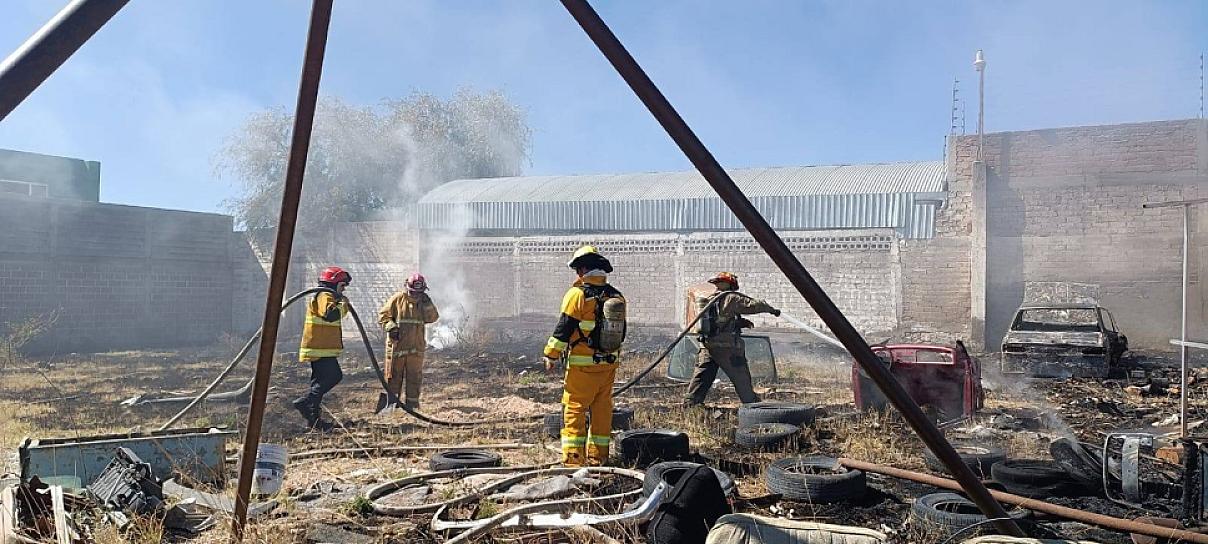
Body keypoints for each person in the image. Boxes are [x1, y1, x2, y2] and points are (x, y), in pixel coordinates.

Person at [542, 246, 626, 467]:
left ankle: (573, 459)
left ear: (583, 269)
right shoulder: (616, 296)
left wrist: (551, 354)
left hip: (582, 367)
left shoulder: (577, 295)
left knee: (575, 409)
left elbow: (564, 327)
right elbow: (622, 333)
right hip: (608, 365)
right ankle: (599, 458)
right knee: (602, 409)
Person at [684, 272, 780, 406]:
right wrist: (770, 309)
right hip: (727, 348)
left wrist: (739, 323)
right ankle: (752, 405)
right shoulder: (731, 297)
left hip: (707, 347)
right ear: (730, 283)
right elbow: (752, 305)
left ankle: (690, 404)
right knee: (741, 377)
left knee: (702, 377)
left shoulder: (710, 299)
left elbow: (719, 321)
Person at [293, 266, 351, 430]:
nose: (344, 289)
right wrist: (344, 305)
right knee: (334, 376)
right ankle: (307, 402)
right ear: (334, 283)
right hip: (320, 348)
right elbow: (331, 315)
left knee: (318, 382)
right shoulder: (325, 295)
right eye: (342, 285)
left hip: (321, 348)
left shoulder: (328, 295)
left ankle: (314, 420)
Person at [377, 273, 440, 410]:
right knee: (393, 378)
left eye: (419, 292)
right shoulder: (398, 299)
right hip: (397, 348)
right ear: (407, 287)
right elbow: (383, 316)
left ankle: (412, 407)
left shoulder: (423, 302)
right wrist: (391, 327)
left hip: (415, 349)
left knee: (414, 379)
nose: (415, 295)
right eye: (413, 292)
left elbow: (433, 318)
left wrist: (427, 303)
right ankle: (391, 407)